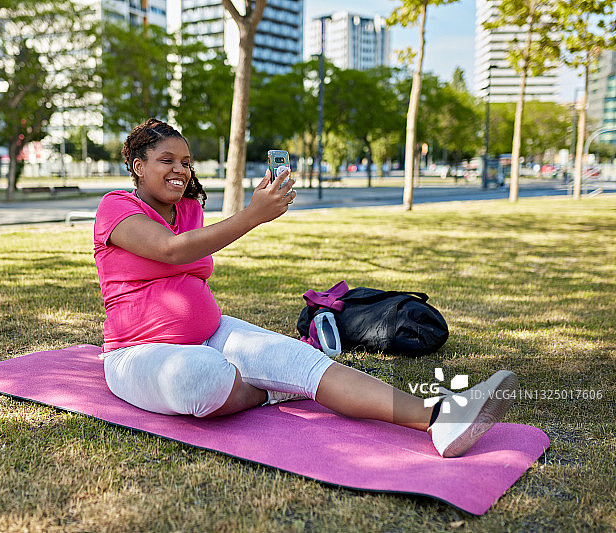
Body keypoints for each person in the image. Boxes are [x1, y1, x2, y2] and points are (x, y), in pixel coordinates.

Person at [93, 118, 518, 458]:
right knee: (204, 376)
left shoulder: (189, 209)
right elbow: (170, 251)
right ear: (138, 167)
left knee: (307, 362)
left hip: (212, 332)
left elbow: (189, 257)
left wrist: (254, 210)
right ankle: (273, 388)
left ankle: (440, 416)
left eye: (186, 162)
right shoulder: (116, 207)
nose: (180, 170)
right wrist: (253, 215)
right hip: (138, 352)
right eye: (167, 160)